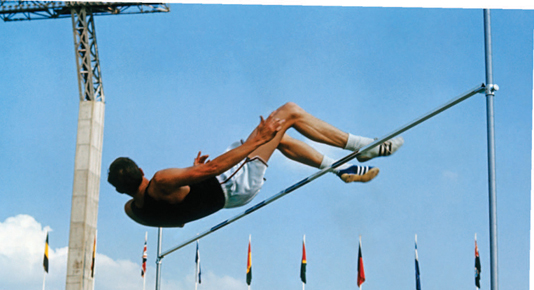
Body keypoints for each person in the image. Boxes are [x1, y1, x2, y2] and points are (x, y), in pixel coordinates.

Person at [108, 102, 403, 227]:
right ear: (142, 170)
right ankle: (361, 146)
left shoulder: (134, 212)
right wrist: (255, 141)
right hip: (230, 184)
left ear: (121, 191)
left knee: (281, 139)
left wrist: (189, 181)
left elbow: (180, 217)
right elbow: (211, 170)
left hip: (226, 196)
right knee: (287, 114)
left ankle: (342, 168)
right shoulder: (160, 181)